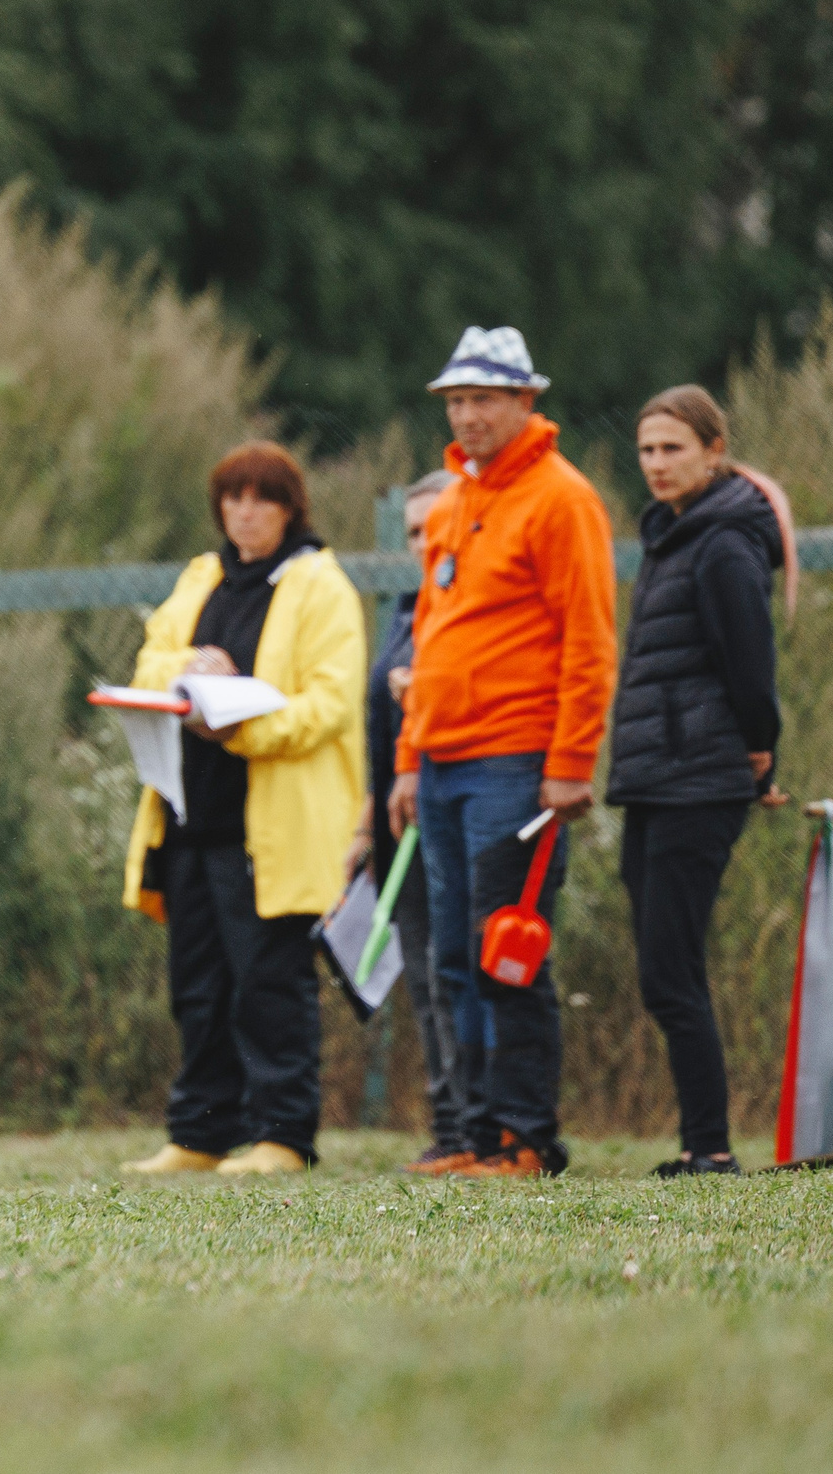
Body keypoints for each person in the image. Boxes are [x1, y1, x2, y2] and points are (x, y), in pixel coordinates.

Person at [390, 326, 618, 1179]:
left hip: (516, 765)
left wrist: (570, 763)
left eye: (484, 398)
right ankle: (474, 1133)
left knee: (506, 949)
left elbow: (589, 641)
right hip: (443, 764)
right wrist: (410, 759)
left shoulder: (563, 500)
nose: (468, 414)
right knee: (453, 955)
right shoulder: (453, 498)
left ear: (527, 401)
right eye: (456, 399)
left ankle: (527, 1138)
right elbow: (431, 634)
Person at [121, 442, 366, 1177]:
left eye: (261, 498)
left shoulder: (322, 585)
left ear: (291, 508)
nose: (244, 511)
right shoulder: (202, 576)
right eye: (232, 497)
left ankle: (283, 1135)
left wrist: (244, 721)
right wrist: (190, 668)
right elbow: (150, 662)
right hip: (190, 815)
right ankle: (199, 1133)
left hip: (271, 829)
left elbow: (329, 701)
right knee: (198, 985)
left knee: (271, 987)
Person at [607, 385, 796, 1178]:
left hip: (700, 777)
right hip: (655, 778)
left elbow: (751, 665)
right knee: (662, 967)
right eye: (647, 450)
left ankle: (709, 1145)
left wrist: (760, 754)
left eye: (672, 448)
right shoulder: (675, 539)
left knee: (671, 967)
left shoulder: (720, 544)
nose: (656, 464)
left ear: (714, 451)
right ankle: (702, 1139)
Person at [353, 469, 472, 1172]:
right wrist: (368, 822)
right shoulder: (406, 609)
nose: (426, 544)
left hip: (455, 808)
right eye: (415, 533)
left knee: (452, 967)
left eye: (437, 529)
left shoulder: (469, 609)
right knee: (422, 978)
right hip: (399, 818)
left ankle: (483, 1122)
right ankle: (449, 1124)